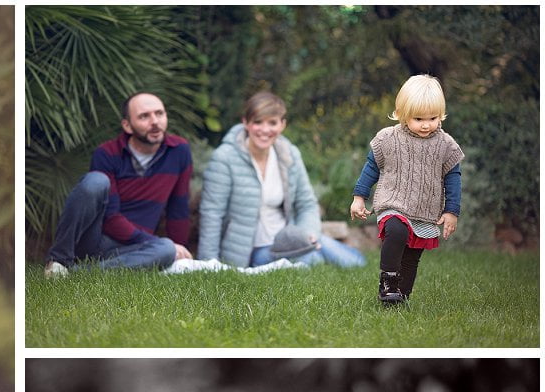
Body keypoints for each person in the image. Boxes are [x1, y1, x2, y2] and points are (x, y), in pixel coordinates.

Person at [198, 92, 365, 269]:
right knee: (312, 260)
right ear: (245, 123)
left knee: (355, 263)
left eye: (272, 122)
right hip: (251, 250)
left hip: (288, 238)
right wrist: (208, 263)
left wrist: (308, 234)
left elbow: (306, 203)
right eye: (257, 122)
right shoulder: (225, 157)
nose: (264, 130)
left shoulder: (289, 153)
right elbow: (212, 214)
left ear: (282, 125)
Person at [43, 92, 193, 277]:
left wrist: (180, 250)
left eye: (159, 113)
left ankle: (76, 274)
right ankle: (58, 261)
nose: (155, 121)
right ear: (127, 126)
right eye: (144, 116)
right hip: (97, 240)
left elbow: (178, 208)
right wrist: (151, 241)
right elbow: (111, 218)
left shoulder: (179, 151)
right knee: (95, 181)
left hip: (136, 249)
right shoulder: (106, 153)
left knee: (166, 249)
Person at [350, 74, 464, 305]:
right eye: (418, 118)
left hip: (425, 210)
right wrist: (359, 197)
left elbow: (453, 177)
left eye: (432, 118)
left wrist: (451, 211)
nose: (426, 124)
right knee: (397, 231)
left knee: (411, 257)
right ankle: (388, 281)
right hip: (393, 203)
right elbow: (371, 167)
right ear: (402, 114)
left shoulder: (446, 145)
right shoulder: (388, 139)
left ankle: (399, 297)